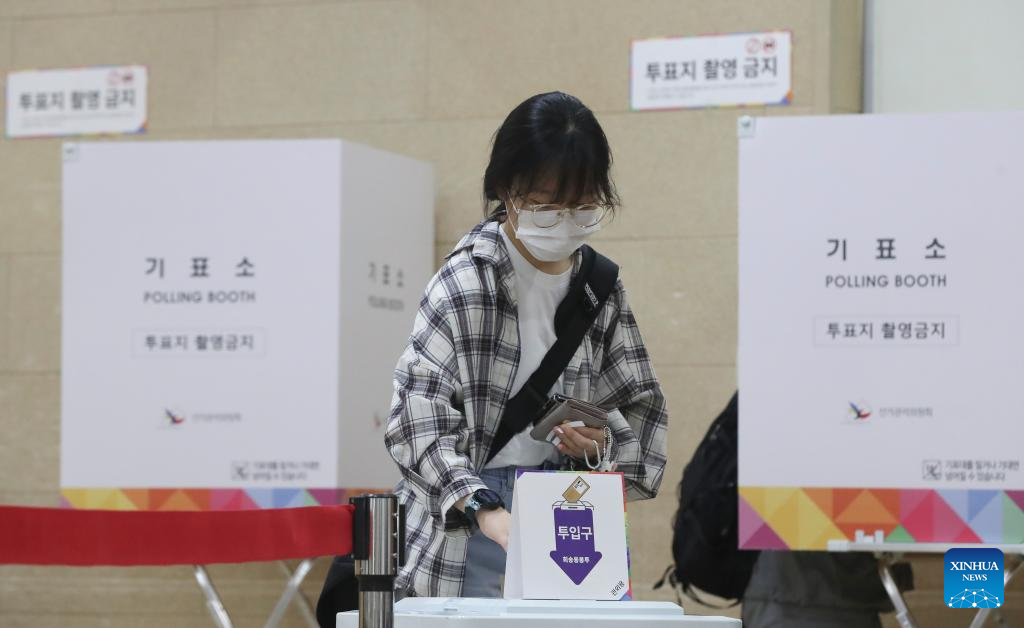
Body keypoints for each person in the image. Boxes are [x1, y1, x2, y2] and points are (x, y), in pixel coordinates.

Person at [385, 91, 668, 598]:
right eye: (545, 206)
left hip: (567, 507)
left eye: (583, 206)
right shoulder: (466, 283)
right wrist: (481, 505)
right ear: (506, 189)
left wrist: (600, 446)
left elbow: (640, 409)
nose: (565, 221)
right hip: (469, 521)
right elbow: (415, 419)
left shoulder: (599, 286)